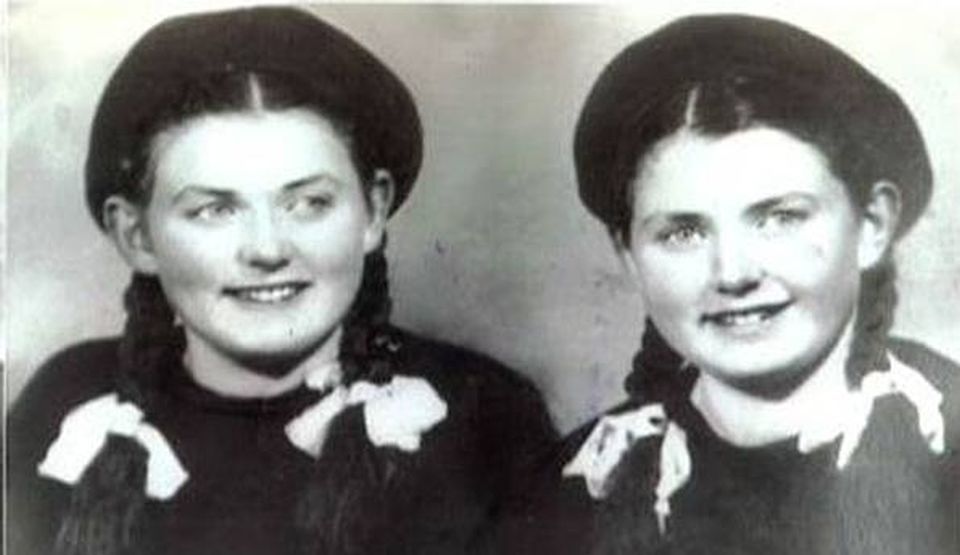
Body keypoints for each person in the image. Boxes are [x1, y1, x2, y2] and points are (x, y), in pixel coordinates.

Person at [7, 7, 556, 555]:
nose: (268, 250)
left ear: (372, 210)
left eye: (309, 203)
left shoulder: (485, 420)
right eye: (214, 210)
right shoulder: (64, 407)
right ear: (137, 236)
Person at [512, 14, 958, 555]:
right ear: (627, 254)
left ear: (871, 226)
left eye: (779, 218)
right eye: (683, 233)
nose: (733, 274)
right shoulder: (571, 496)